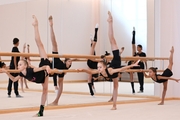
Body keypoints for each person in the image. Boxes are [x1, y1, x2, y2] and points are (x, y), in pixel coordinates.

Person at [77, 11, 140, 110]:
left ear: (105, 66)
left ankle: (110, 22)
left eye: (100, 67)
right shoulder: (100, 71)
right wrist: (82, 70)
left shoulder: (110, 70)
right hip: (113, 68)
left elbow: (122, 69)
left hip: (116, 62)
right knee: (115, 86)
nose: (98, 69)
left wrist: (133, 65)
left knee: (112, 40)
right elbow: (90, 71)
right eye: (98, 67)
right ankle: (114, 103)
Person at [1, 15, 51, 117]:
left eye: (20, 64)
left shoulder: (31, 70)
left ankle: (35, 26)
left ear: (25, 66)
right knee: (44, 90)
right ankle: (41, 111)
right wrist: (6, 72)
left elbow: (41, 68)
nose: (18, 66)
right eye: (18, 64)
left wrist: (47, 67)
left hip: (44, 70)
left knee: (39, 44)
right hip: (41, 76)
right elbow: (14, 79)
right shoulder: (22, 74)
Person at [48, 16, 73, 105]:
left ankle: (56, 101)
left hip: (52, 71)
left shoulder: (64, 71)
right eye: (69, 61)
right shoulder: (58, 61)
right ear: (65, 61)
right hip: (46, 67)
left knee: (61, 85)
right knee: (54, 44)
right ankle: (51, 26)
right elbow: (53, 42)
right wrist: (51, 26)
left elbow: (61, 87)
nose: (70, 62)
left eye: (71, 62)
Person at [86, 23, 99, 96]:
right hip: (91, 61)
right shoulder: (92, 50)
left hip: (93, 62)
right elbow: (94, 60)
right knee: (89, 77)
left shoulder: (93, 52)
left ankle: (92, 86)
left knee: (90, 77)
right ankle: (96, 30)